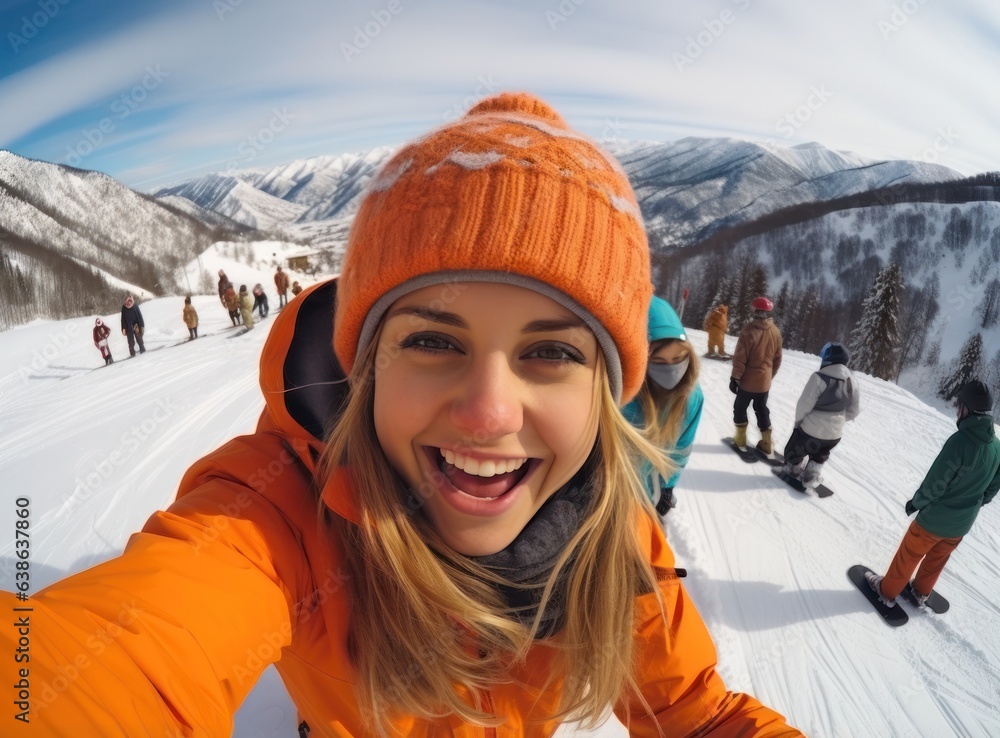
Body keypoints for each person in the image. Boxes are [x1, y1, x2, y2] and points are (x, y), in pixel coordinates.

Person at [0, 93, 802, 736]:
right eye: (431, 340)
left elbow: (698, 714)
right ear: (363, 368)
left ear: (605, 394)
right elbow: (115, 659)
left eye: (552, 353)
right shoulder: (280, 518)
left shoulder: (614, 538)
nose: (488, 414)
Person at [866, 380, 1000, 608]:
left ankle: (887, 591)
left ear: (966, 408)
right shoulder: (996, 445)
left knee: (909, 554)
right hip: (961, 524)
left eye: (959, 404)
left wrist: (916, 503)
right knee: (936, 560)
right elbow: (994, 485)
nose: (957, 409)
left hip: (934, 520)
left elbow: (937, 482)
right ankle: (920, 592)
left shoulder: (960, 442)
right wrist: (976, 503)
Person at [622, 296, 703, 516]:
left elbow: (680, 450)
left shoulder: (690, 397)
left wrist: (668, 486)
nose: (672, 371)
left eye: (679, 358)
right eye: (659, 362)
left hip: (647, 496)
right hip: (608, 492)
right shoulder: (623, 396)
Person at [781, 342, 860, 487]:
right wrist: (837, 421)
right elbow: (854, 410)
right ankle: (811, 475)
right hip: (834, 435)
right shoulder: (852, 381)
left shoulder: (819, 377)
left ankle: (793, 468)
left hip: (811, 431)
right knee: (821, 452)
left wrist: (798, 424)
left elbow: (804, 404)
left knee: (794, 449)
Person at [730, 296, 782, 454]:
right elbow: (777, 360)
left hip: (747, 382)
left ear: (756, 312)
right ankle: (766, 443)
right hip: (764, 383)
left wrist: (735, 377)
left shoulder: (748, 332)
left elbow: (740, 357)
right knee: (762, 410)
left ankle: (740, 439)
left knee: (740, 408)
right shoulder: (776, 332)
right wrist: (767, 377)